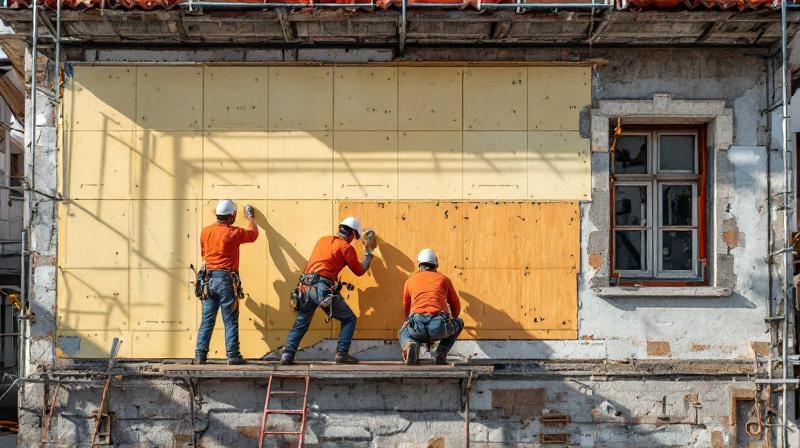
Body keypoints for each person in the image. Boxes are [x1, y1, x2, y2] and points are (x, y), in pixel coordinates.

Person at [279, 217, 375, 365]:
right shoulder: (346, 247)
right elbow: (360, 271)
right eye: (354, 237)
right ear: (351, 234)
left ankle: (287, 354)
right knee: (349, 319)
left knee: (302, 322)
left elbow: (325, 264)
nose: (353, 240)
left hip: (305, 287)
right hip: (321, 290)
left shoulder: (322, 240)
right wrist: (368, 253)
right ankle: (341, 354)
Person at [194, 200, 259, 365]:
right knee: (230, 319)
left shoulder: (205, 231)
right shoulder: (234, 233)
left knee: (207, 319)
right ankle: (233, 355)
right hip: (225, 280)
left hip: (207, 280)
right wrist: (250, 217)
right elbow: (253, 234)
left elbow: (204, 252)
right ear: (231, 216)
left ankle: (200, 356)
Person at [399, 248, 464, 365]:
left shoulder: (410, 281)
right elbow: (455, 305)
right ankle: (441, 353)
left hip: (417, 326)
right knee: (459, 322)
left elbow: (406, 306)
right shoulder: (444, 280)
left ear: (419, 265)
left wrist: (408, 321)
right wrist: (452, 318)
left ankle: (410, 346)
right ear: (436, 265)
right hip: (438, 326)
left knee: (403, 331)